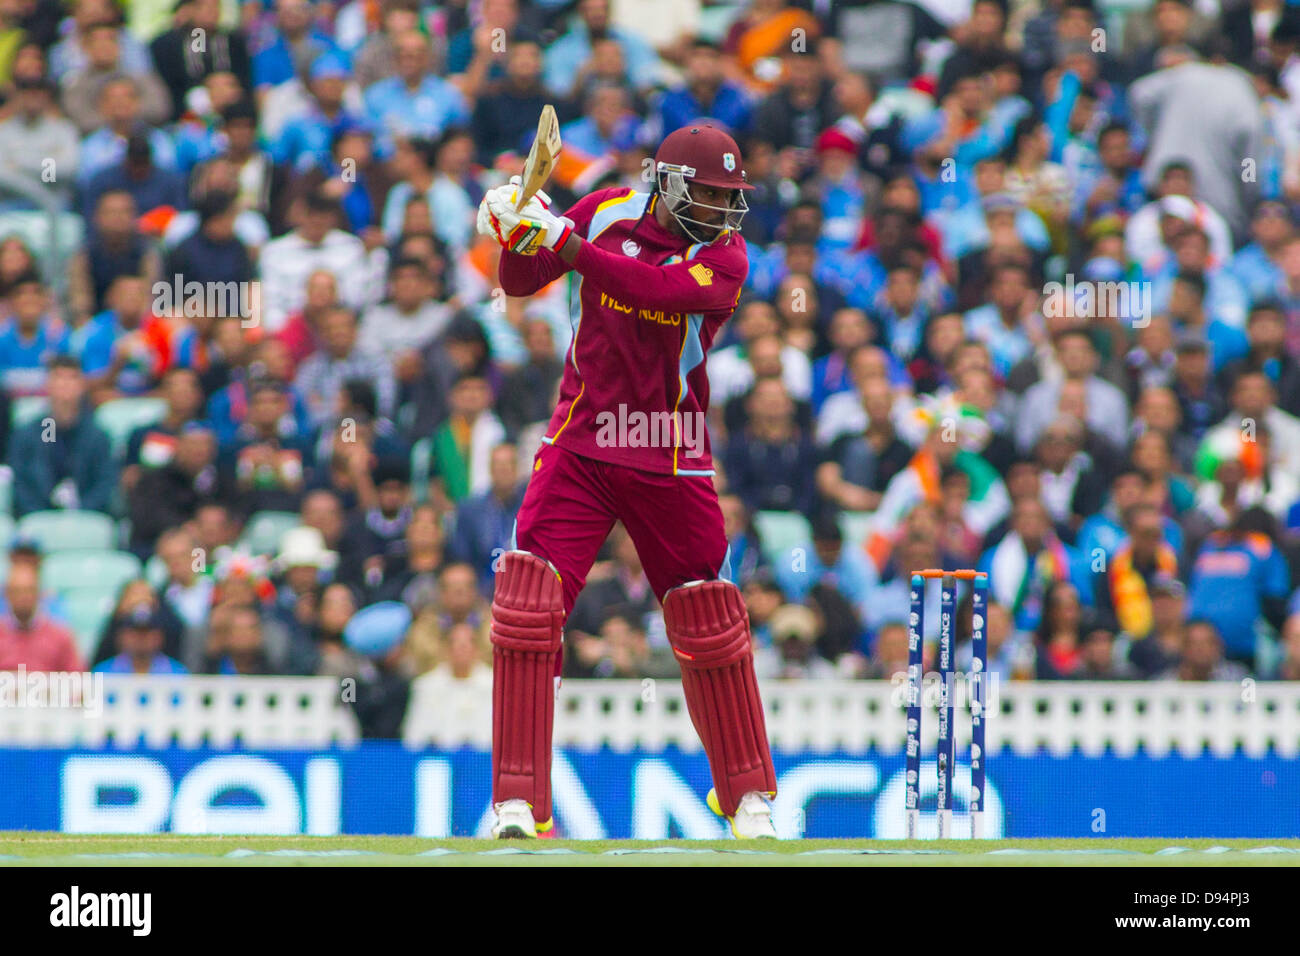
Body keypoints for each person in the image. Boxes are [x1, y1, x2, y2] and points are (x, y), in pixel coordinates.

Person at [475, 124, 778, 838]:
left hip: (669, 449)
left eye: (731, 195)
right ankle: (517, 802)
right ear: (667, 183)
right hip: (581, 441)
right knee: (528, 606)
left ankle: (747, 798)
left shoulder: (725, 257)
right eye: (708, 191)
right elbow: (519, 282)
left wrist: (562, 239)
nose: (723, 207)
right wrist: (516, 223)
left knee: (710, 617)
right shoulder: (606, 210)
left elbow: (657, 289)